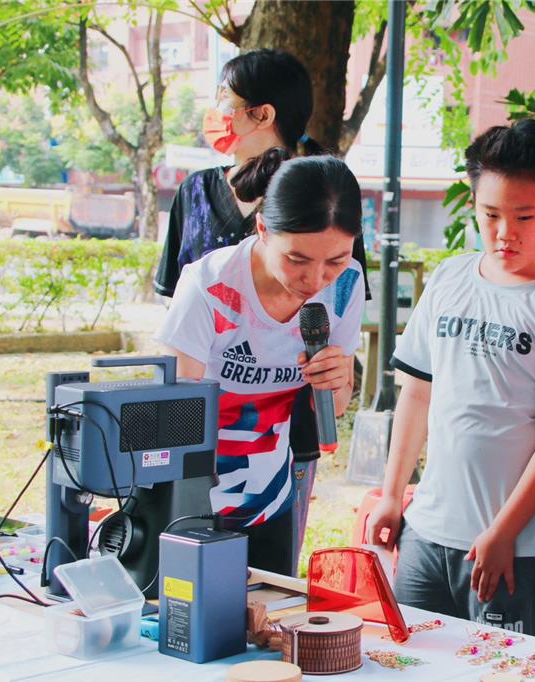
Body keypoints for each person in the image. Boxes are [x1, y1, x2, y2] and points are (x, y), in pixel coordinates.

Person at [366, 119, 535, 638]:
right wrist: (393, 495)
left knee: (500, 670)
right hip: (428, 530)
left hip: (514, 544)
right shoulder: (450, 278)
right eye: (490, 215)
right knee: (409, 663)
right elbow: (416, 393)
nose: (504, 233)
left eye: (524, 216)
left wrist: (503, 532)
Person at [153, 48, 370, 576]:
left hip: (274, 478)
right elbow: (176, 417)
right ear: (263, 231)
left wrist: (338, 378)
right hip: (196, 485)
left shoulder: (343, 285)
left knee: (267, 609)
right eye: (297, 260)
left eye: (336, 261)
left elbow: (334, 404)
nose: (315, 281)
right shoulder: (207, 285)